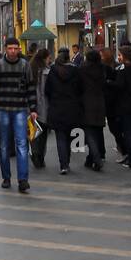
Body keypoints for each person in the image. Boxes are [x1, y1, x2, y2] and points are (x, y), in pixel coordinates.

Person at [0, 37, 37, 192]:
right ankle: (6, 177)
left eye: (16, 48)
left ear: (19, 49)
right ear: (5, 49)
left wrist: (33, 109)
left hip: (20, 109)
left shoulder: (25, 65)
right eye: (10, 48)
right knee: (4, 145)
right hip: (3, 110)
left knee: (22, 144)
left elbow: (31, 88)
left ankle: (23, 180)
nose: (13, 51)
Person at [44, 47, 82, 175]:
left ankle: (63, 164)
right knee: (70, 136)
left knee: (60, 136)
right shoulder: (75, 71)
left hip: (57, 107)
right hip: (72, 108)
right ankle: (67, 161)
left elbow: (47, 90)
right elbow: (80, 89)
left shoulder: (52, 71)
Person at [79, 48, 107, 170]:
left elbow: (78, 86)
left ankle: (96, 157)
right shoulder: (102, 69)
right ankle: (91, 159)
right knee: (97, 130)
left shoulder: (83, 69)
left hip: (87, 102)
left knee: (89, 132)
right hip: (100, 102)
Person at [100, 47, 126, 159]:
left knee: (115, 127)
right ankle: (122, 147)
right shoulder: (113, 66)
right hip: (113, 101)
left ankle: (124, 149)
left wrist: (107, 83)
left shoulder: (110, 68)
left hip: (112, 101)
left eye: (101, 55)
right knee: (115, 127)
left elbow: (116, 83)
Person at [29, 47, 51, 168]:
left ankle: (35, 153)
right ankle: (40, 156)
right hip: (44, 106)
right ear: (45, 58)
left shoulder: (29, 69)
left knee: (33, 133)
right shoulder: (48, 72)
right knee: (43, 134)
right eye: (48, 58)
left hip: (31, 106)